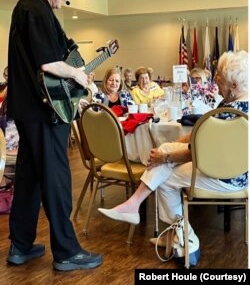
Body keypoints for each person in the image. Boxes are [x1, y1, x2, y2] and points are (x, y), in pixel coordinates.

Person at [6, 0, 102, 271]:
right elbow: (49, 64)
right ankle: (66, 250)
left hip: (27, 109)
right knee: (58, 179)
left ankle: (20, 246)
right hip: (44, 112)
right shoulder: (36, 9)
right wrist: (77, 75)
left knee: (29, 178)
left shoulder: (27, 9)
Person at [98, 50, 248, 247]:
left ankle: (183, 238)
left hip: (227, 177)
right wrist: (168, 150)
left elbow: (198, 153)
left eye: (219, 77)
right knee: (165, 154)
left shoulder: (229, 114)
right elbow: (199, 136)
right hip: (239, 172)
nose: (215, 80)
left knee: (164, 178)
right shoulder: (235, 105)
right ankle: (140, 210)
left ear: (234, 85)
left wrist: (165, 157)